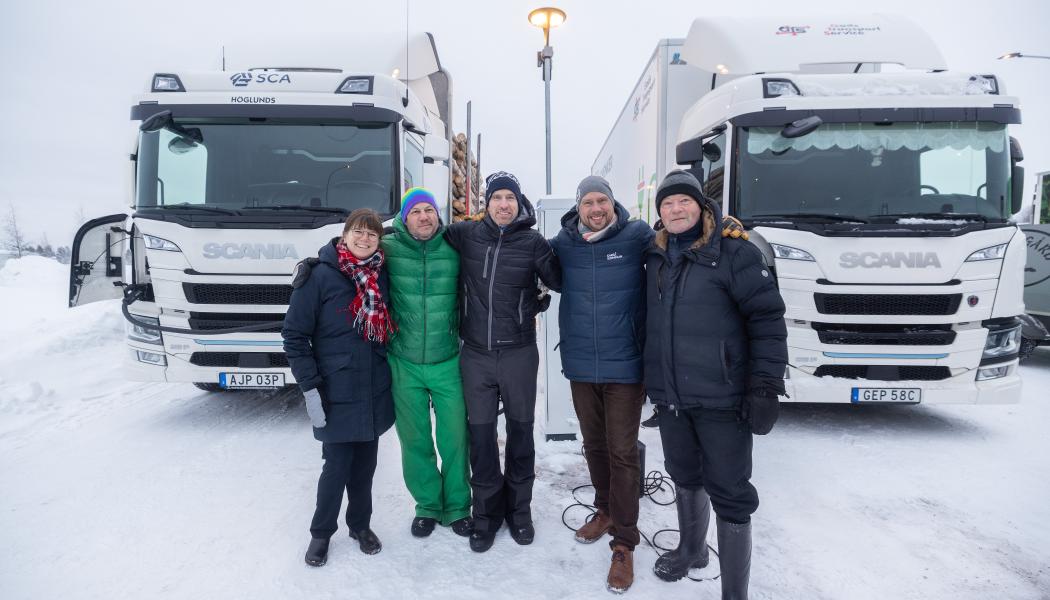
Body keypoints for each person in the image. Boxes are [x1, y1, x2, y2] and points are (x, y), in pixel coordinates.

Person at [644, 170, 787, 599]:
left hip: (722, 398)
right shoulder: (655, 255)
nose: (676, 209)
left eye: (683, 201)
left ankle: (734, 593)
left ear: (701, 206)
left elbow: (767, 320)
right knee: (684, 474)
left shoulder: (735, 253)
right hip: (672, 397)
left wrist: (765, 386)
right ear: (660, 212)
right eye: (667, 204)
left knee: (730, 491)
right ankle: (692, 550)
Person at [443, 171, 561, 553]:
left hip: (519, 353)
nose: (504, 204)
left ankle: (519, 511)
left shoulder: (533, 242)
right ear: (487, 203)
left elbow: (561, 278)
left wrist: (541, 291)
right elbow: (420, 237)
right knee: (480, 438)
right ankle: (486, 514)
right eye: (497, 198)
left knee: (521, 434)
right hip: (476, 354)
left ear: (519, 202)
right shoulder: (466, 234)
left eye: (510, 197)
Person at [549, 175, 653, 593]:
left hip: (625, 364)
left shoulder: (637, 236)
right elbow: (532, 263)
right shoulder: (564, 243)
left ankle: (624, 542)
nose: (596, 209)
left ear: (613, 203)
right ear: (578, 207)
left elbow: (677, 247)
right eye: (588, 202)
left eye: (602, 201)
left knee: (622, 451)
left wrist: (719, 227)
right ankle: (606, 509)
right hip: (581, 363)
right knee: (593, 444)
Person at [282, 208, 396, 567]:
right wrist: (310, 387)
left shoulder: (381, 274)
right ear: (344, 235)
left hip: (373, 387)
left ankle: (360, 526)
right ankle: (321, 534)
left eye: (372, 234)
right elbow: (294, 336)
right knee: (336, 468)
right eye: (358, 232)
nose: (365, 239)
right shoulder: (318, 276)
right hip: (335, 390)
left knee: (365, 467)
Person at [381, 188, 473, 539]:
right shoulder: (388, 248)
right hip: (403, 361)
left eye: (429, 210)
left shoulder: (454, 247)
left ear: (438, 215)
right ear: (404, 218)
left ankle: (458, 507)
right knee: (414, 439)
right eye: (416, 211)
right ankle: (428, 506)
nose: (423, 216)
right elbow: (350, 250)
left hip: (447, 359)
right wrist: (319, 258)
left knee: (455, 438)